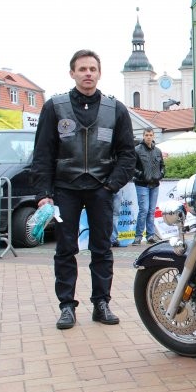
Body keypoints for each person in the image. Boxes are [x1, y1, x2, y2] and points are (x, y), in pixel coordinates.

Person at [31, 49, 136, 330]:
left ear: (99, 73)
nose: (88, 73)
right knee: (65, 250)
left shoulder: (116, 109)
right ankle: (67, 306)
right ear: (72, 73)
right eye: (82, 69)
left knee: (102, 249)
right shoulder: (54, 107)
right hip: (65, 188)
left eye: (92, 69)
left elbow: (127, 154)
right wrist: (43, 194)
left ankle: (102, 304)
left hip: (101, 188)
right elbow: (42, 153)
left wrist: (111, 185)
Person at [133, 128, 165, 245]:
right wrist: (141, 175)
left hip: (155, 184)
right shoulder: (137, 150)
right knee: (144, 210)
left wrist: (161, 174)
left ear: (153, 136)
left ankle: (150, 235)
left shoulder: (158, 151)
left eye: (150, 135)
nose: (148, 137)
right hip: (142, 184)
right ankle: (138, 236)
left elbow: (162, 165)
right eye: (146, 135)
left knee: (151, 211)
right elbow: (131, 167)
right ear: (143, 136)